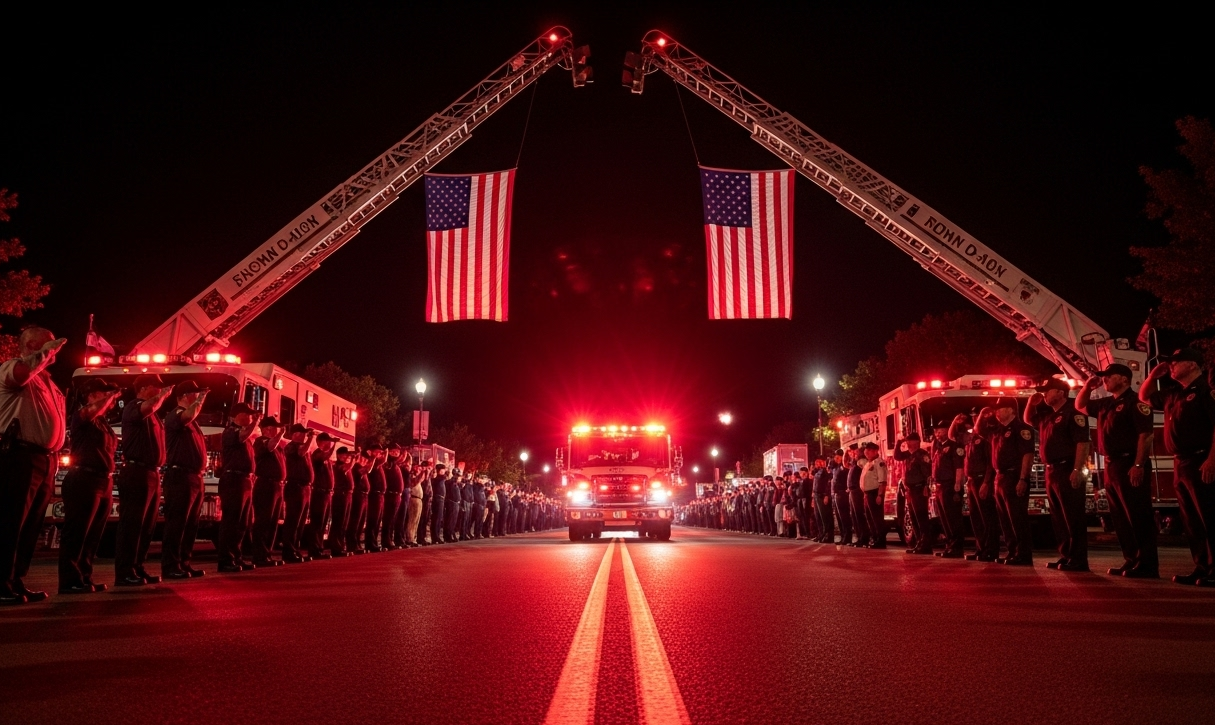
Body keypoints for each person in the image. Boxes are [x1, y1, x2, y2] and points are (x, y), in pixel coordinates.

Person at [1141, 348, 1215, 586]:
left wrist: (1212, 460)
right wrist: (1153, 377)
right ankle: (1202, 566)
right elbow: (1144, 397)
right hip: (1180, 462)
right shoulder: (1174, 393)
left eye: (1176, 362)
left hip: (1200, 459)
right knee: (1191, 520)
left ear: (1193, 365)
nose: (1171, 366)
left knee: (1208, 517)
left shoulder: (1206, 391)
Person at [1076, 364, 1156, 577]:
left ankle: (1146, 564)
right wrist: (1087, 387)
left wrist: (1138, 465)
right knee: (1120, 517)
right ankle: (1131, 560)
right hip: (1112, 465)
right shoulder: (1106, 403)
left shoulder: (1135, 402)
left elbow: (1145, 436)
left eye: (1109, 377)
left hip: (1129, 462)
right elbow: (1081, 406)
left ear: (1123, 379)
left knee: (1137, 515)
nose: (1105, 380)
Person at [58, 378, 120, 594]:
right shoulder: (82, 415)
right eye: (102, 393)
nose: (108, 398)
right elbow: (92, 411)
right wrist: (111, 395)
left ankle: (84, 576)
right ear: (90, 395)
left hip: (102, 480)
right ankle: (70, 580)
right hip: (83, 479)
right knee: (77, 532)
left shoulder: (102, 421)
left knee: (93, 535)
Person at [1026, 377, 1092, 572]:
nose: (1045, 394)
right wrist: (1031, 402)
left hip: (1066, 468)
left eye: (1048, 391)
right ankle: (1066, 555)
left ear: (1061, 393)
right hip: (1052, 471)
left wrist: (1077, 469)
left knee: (1073, 517)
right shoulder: (1049, 415)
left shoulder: (1074, 413)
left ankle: (1079, 559)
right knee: (1058, 518)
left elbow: (1082, 443)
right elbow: (1029, 419)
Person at [115, 373, 175, 586]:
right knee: (132, 524)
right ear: (143, 388)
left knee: (147, 526)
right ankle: (125, 571)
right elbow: (146, 408)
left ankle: (137, 567)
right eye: (155, 387)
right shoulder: (135, 406)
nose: (159, 390)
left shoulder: (153, 413)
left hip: (151, 473)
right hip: (136, 472)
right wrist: (164, 395)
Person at [162, 380, 210, 579]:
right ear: (184, 396)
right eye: (194, 394)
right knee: (178, 523)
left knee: (191, 524)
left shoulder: (192, 422)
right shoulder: (175, 416)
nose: (197, 397)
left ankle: (184, 562)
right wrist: (201, 398)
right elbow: (189, 414)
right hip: (179, 476)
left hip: (194, 477)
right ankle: (171, 566)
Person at [991, 400, 1036, 565]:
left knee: (1017, 518)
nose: (996, 412)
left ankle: (1023, 554)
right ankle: (1012, 551)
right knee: (1005, 519)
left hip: (1014, 476)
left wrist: (1023, 478)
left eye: (1000, 408)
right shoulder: (999, 431)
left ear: (1011, 410)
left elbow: (1027, 455)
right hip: (1001, 477)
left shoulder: (1022, 429)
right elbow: (979, 429)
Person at [217, 403, 260, 572]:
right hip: (233, 479)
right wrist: (254, 423)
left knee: (242, 523)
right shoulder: (230, 432)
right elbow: (242, 436)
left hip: (245, 480)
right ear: (238, 415)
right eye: (247, 414)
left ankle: (236, 557)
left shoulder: (246, 436)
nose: (250, 417)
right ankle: (225, 559)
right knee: (231, 521)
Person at [964, 408, 1000, 562]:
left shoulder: (986, 438)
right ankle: (981, 549)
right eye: (972, 417)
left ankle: (991, 550)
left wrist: (986, 483)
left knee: (987, 518)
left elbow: (989, 464)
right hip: (972, 480)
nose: (973, 420)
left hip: (982, 480)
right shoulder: (971, 438)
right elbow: (952, 436)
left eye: (976, 417)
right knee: (976, 518)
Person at [251, 416, 287, 567]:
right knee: (264, 520)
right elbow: (269, 446)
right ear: (267, 429)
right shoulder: (261, 441)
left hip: (277, 486)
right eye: (275, 428)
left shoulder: (278, 446)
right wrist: (280, 435)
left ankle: (267, 554)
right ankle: (259, 555)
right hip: (266, 484)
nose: (277, 430)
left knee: (273, 522)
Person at [929, 420, 966, 559]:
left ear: (947, 430)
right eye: (936, 431)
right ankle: (950, 545)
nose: (937, 434)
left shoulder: (955, 447)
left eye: (940, 430)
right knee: (944, 518)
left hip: (950, 486)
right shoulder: (938, 447)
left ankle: (957, 547)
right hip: (940, 487)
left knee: (953, 518)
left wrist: (957, 484)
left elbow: (959, 467)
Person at [280, 423, 316, 563]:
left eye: (305, 433)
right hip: (295, 487)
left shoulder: (302, 447)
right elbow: (301, 452)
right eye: (302, 433)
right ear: (294, 434)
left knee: (301, 522)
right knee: (293, 521)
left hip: (305, 488)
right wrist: (310, 439)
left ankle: (295, 549)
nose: (305, 435)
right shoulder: (291, 446)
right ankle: (288, 551)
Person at [893, 432, 933, 555]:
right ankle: (919, 542)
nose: (908, 443)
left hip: (920, 489)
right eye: (907, 441)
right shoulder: (909, 455)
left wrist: (927, 486)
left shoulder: (922, 455)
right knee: (914, 517)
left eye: (910, 441)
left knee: (921, 517)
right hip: (910, 490)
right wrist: (899, 442)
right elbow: (897, 456)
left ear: (916, 442)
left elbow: (927, 472)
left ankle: (926, 544)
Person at [303, 433, 336, 559]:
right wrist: (335, 446)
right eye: (328, 442)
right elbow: (325, 456)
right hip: (319, 493)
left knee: (323, 523)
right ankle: (314, 549)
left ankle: (319, 548)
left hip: (326, 493)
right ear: (320, 442)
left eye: (331, 442)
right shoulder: (317, 454)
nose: (329, 444)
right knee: (317, 522)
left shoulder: (326, 458)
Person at [859, 443, 887, 548]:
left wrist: (880, 495)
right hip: (867, 494)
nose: (866, 452)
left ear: (875, 451)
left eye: (869, 450)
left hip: (875, 493)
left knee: (877, 518)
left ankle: (880, 541)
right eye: (865, 451)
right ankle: (875, 538)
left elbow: (882, 480)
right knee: (869, 518)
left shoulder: (879, 463)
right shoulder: (868, 463)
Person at [329, 446, 354, 557]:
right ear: (339, 455)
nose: (347, 457)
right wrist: (353, 459)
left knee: (345, 522)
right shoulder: (338, 466)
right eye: (345, 455)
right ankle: (335, 547)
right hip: (340, 496)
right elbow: (346, 468)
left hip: (347, 495)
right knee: (338, 522)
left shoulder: (345, 465)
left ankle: (341, 545)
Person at [347, 448, 372, 554]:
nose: (365, 460)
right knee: (355, 521)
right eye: (364, 458)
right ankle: (352, 544)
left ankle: (357, 542)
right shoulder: (357, 467)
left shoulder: (361, 466)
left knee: (361, 521)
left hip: (364, 496)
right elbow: (366, 470)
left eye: (367, 459)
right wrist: (373, 458)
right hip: (358, 496)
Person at [381, 444, 406, 550]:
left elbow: (402, 459)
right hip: (390, 495)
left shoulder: (395, 463)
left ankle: (389, 540)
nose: (396, 454)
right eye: (393, 452)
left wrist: (403, 453)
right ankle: (386, 541)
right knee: (388, 520)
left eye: (397, 452)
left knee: (392, 520)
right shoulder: (388, 463)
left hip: (396, 495)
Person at [364, 443, 386, 552]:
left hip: (380, 494)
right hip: (374, 494)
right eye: (376, 451)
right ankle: (370, 543)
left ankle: (374, 542)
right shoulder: (372, 462)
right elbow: (384, 459)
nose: (379, 454)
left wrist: (383, 452)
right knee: (372, 520)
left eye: (379, 452)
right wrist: (382, 453)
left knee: (377, 520)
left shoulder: (378, 463)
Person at [846, 445, 870, 547]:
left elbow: (866, 474)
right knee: (854, 516)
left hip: (858, 491)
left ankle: (864, 538)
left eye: (854, 452)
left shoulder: (861, 461)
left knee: (859, 515)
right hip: (852, 491)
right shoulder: (855, 462)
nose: (852, 454)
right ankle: (859, 537)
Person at [832, 449, 852, 545]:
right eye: (835, 456)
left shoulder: (845, 467)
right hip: (836, 494)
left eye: (839, 456)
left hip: (843, 494)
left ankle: (847, 537)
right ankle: (843, 536)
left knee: (845, 517)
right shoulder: (836, 467)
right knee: (839, 517)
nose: (836, 458)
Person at [404, 461, 425, 546]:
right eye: (418, 468)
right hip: (413, 499)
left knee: (416, 520)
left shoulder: (417, 476)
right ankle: (409, 538)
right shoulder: (412, 476)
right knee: (412, 520)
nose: (419, 469)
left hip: (419, 500)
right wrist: (423, 472)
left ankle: (413, 538)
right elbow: (415, 481)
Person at [430, 462, 448, 544]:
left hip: (441, 499)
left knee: (439, 518)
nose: (444, 471)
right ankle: (435, 536)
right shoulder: (437, 478)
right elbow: (444, 477)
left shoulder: (442, 478)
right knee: (436, 518)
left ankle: (437, 536)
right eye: (443, 469)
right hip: (437, 499)